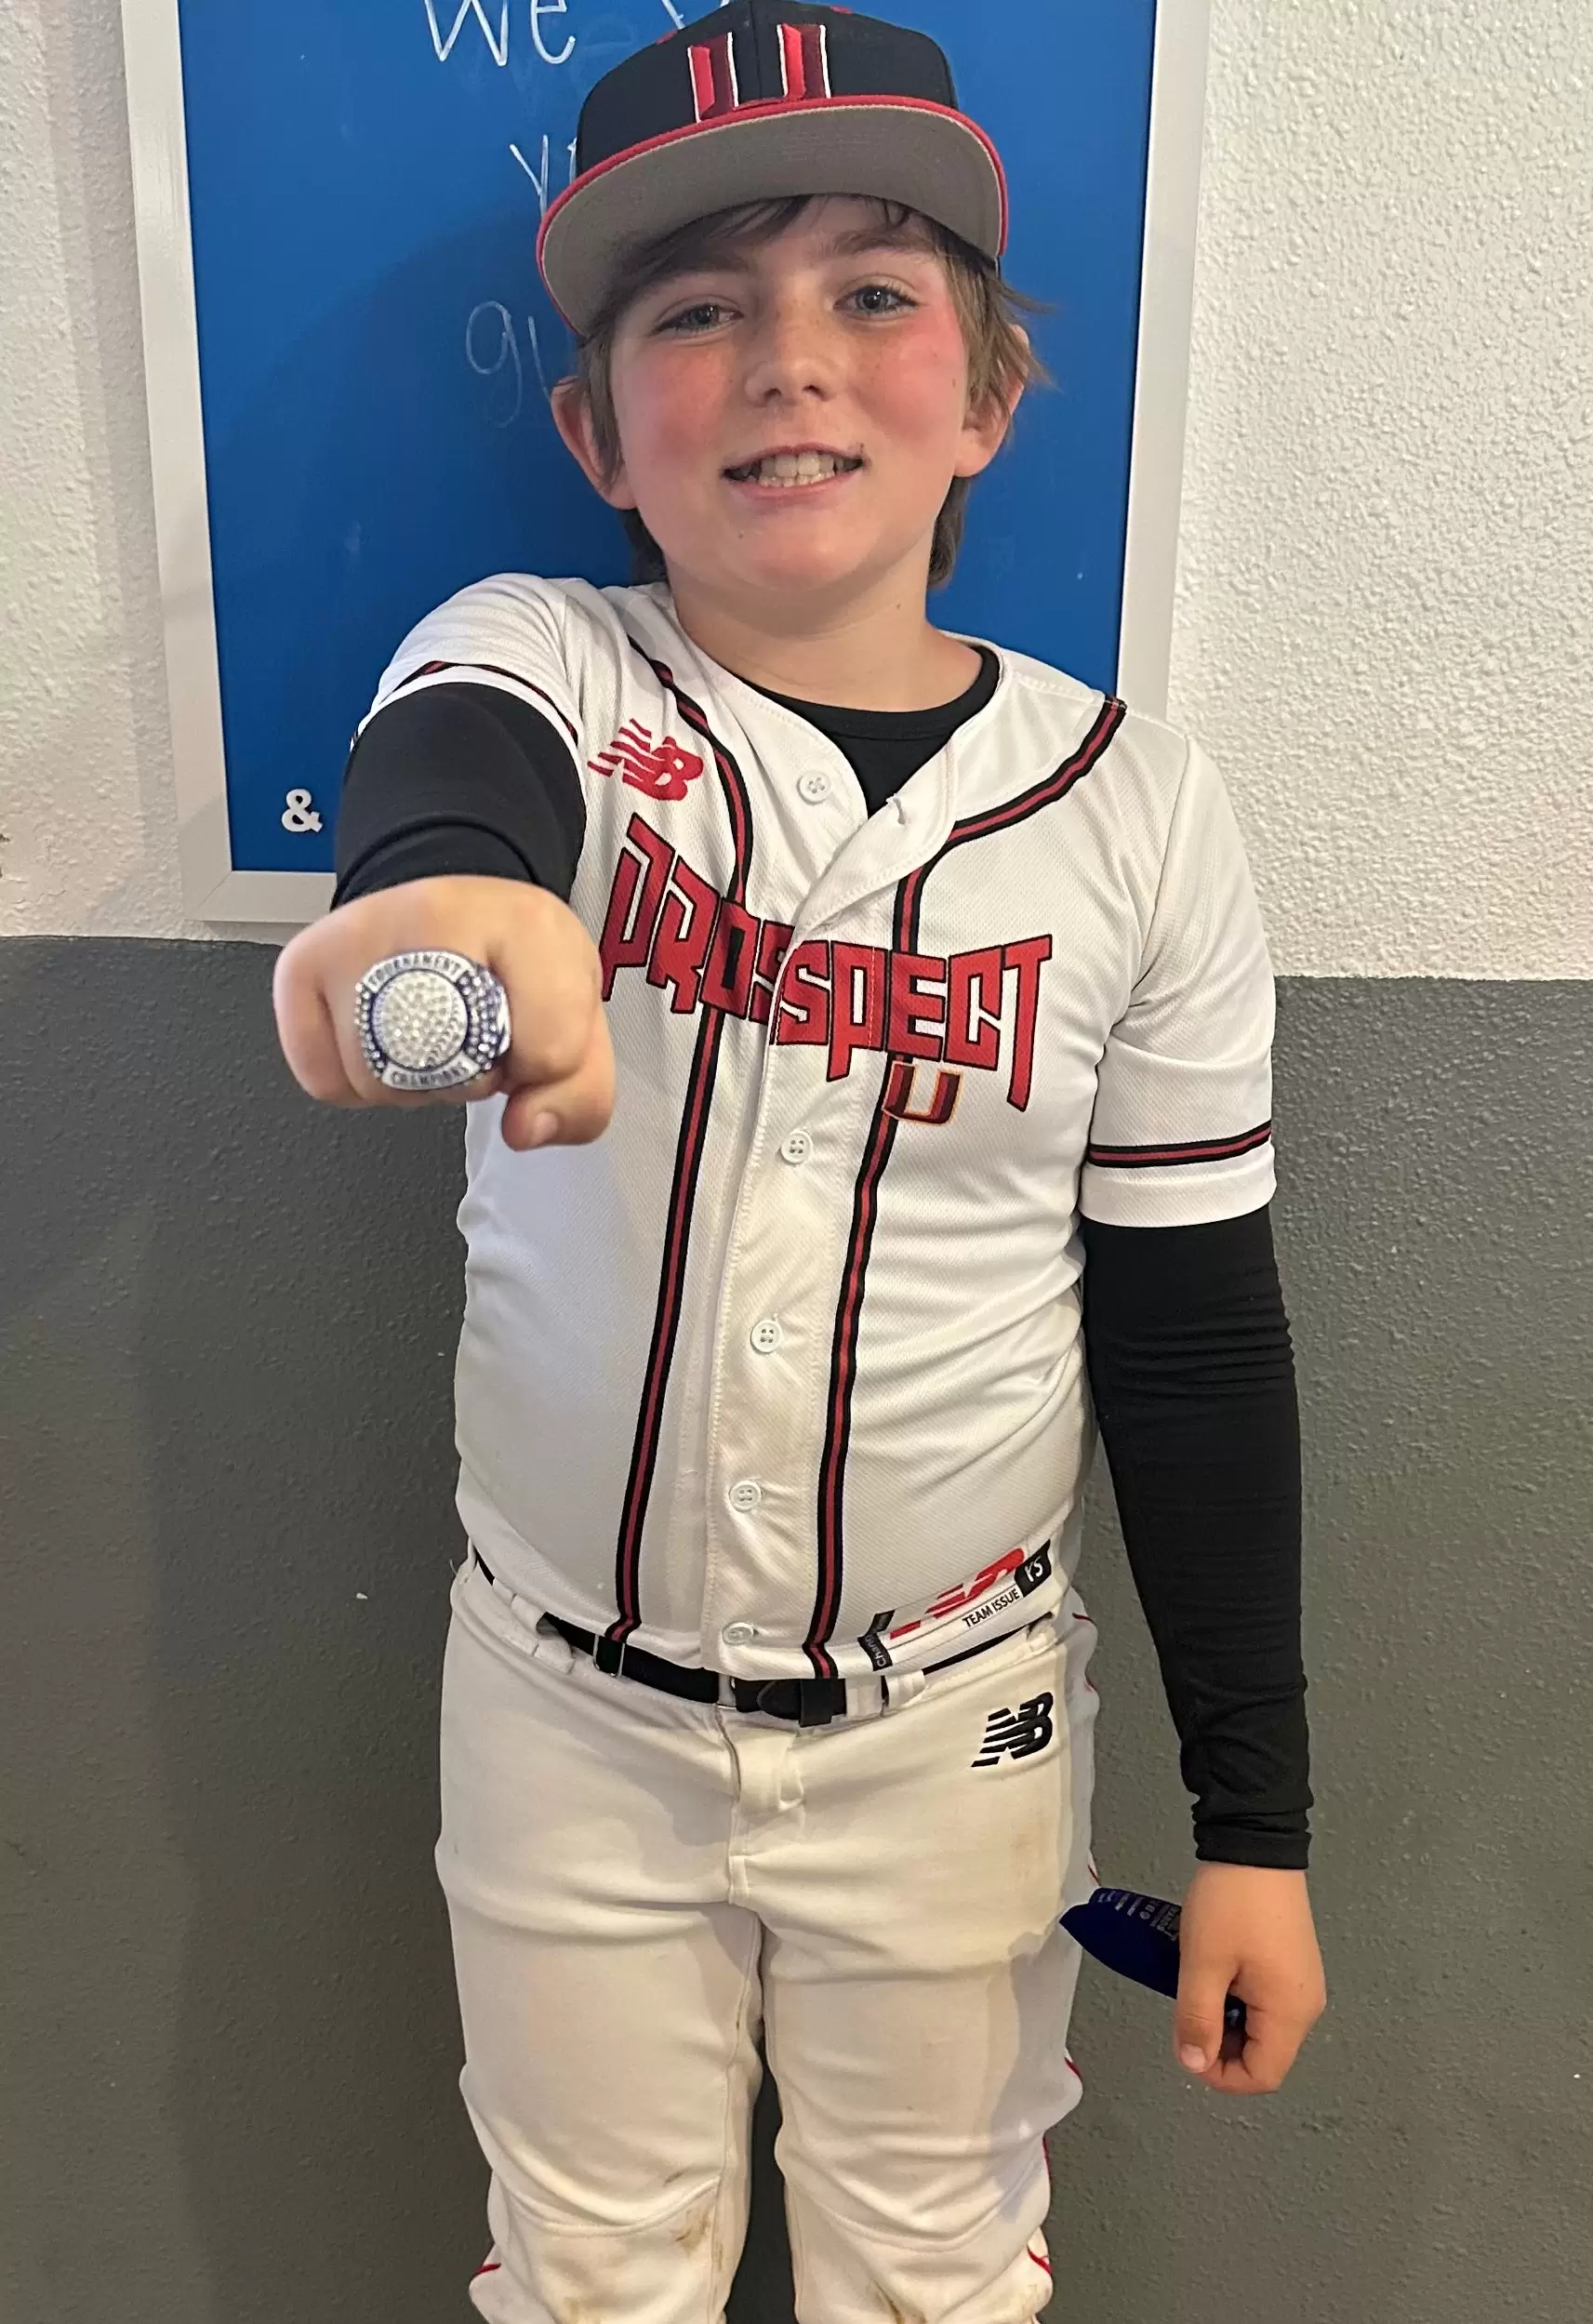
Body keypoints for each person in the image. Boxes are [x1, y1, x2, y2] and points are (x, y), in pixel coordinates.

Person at [272, 6, 1327, 2317]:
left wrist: (1253, 1819)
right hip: (566, 1707)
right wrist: (440, 912)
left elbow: (1190, 1345)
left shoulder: (1138, 812)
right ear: (591, 431)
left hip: (954, 1722)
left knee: (936, 2279)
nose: (787, 361)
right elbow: (452, 774)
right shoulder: (551, 661)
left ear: (990, 393)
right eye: (695, 309)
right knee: (588, 2278)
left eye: (871, 290)